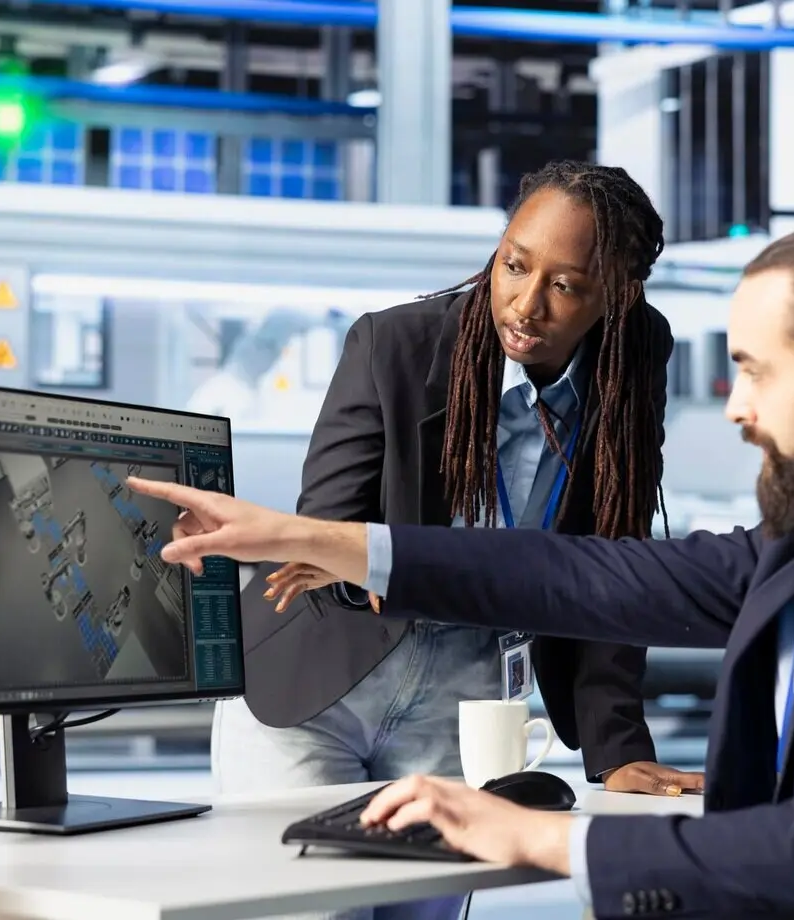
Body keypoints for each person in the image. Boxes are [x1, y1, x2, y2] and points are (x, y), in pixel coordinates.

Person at [130, 215, 794, 919]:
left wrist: (532, 835)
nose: (737, 408)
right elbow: (585, 578)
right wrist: (320, 537)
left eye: (757, 370)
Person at [217, 159, 705, 914]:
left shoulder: (632, 363)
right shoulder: (395, 346)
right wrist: (374, 564)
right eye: (514, 265)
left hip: (464, 699)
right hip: (320, 683)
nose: (524, 303)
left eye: (566, 286)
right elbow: (331, 525)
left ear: (615, 295)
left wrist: (620, 753)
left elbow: (615, 568)